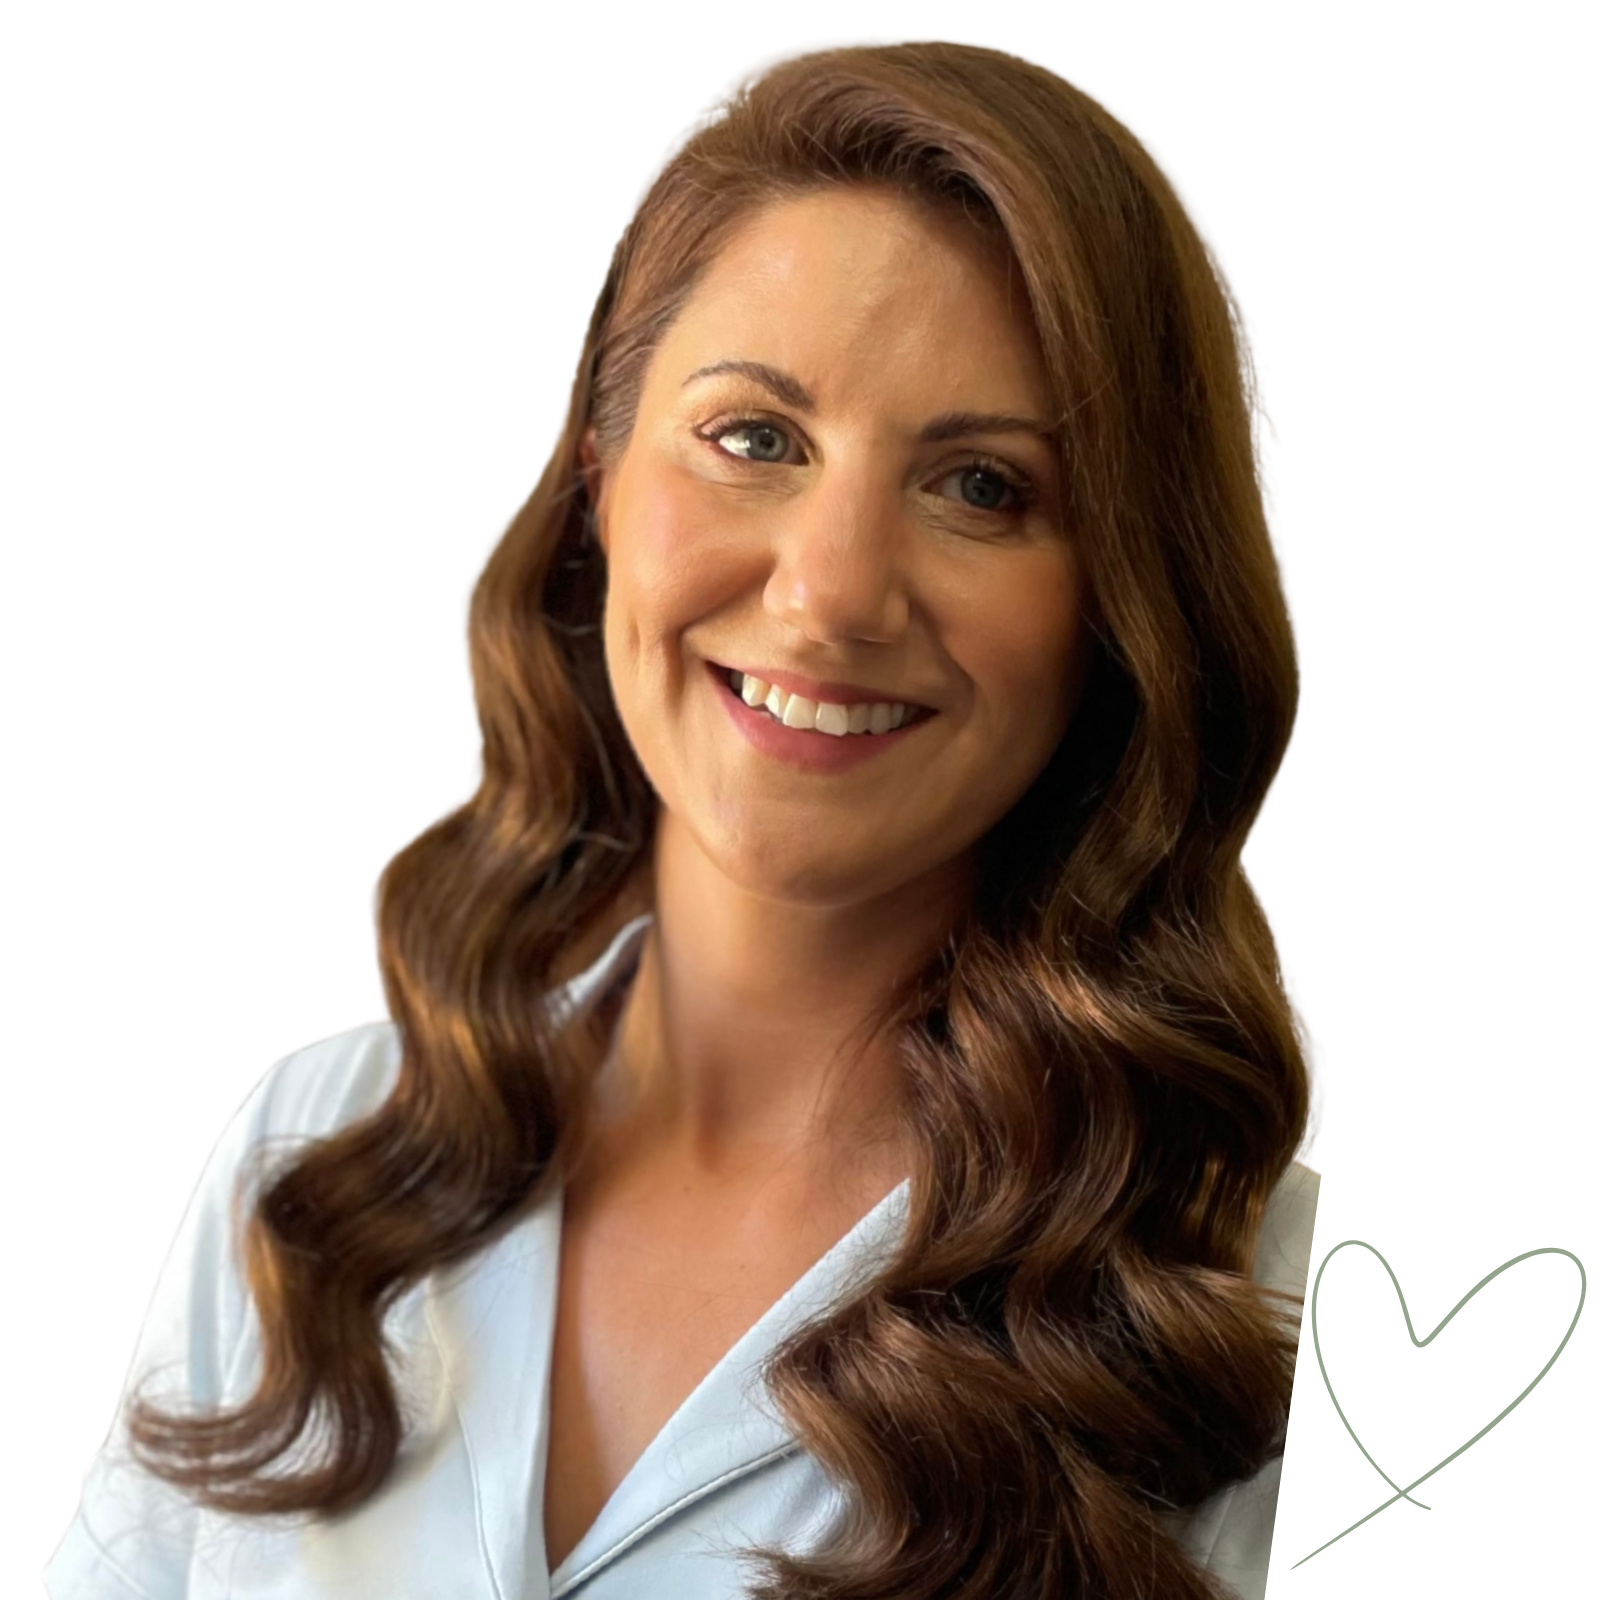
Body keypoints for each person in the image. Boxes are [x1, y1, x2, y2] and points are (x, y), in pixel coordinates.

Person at [43, 33, 1326, 1600]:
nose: (831, 592)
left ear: (1126, 602)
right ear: (595, 478)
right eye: (755, 439)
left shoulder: (1347, 1310)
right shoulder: (313, 1161)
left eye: (986, 487)